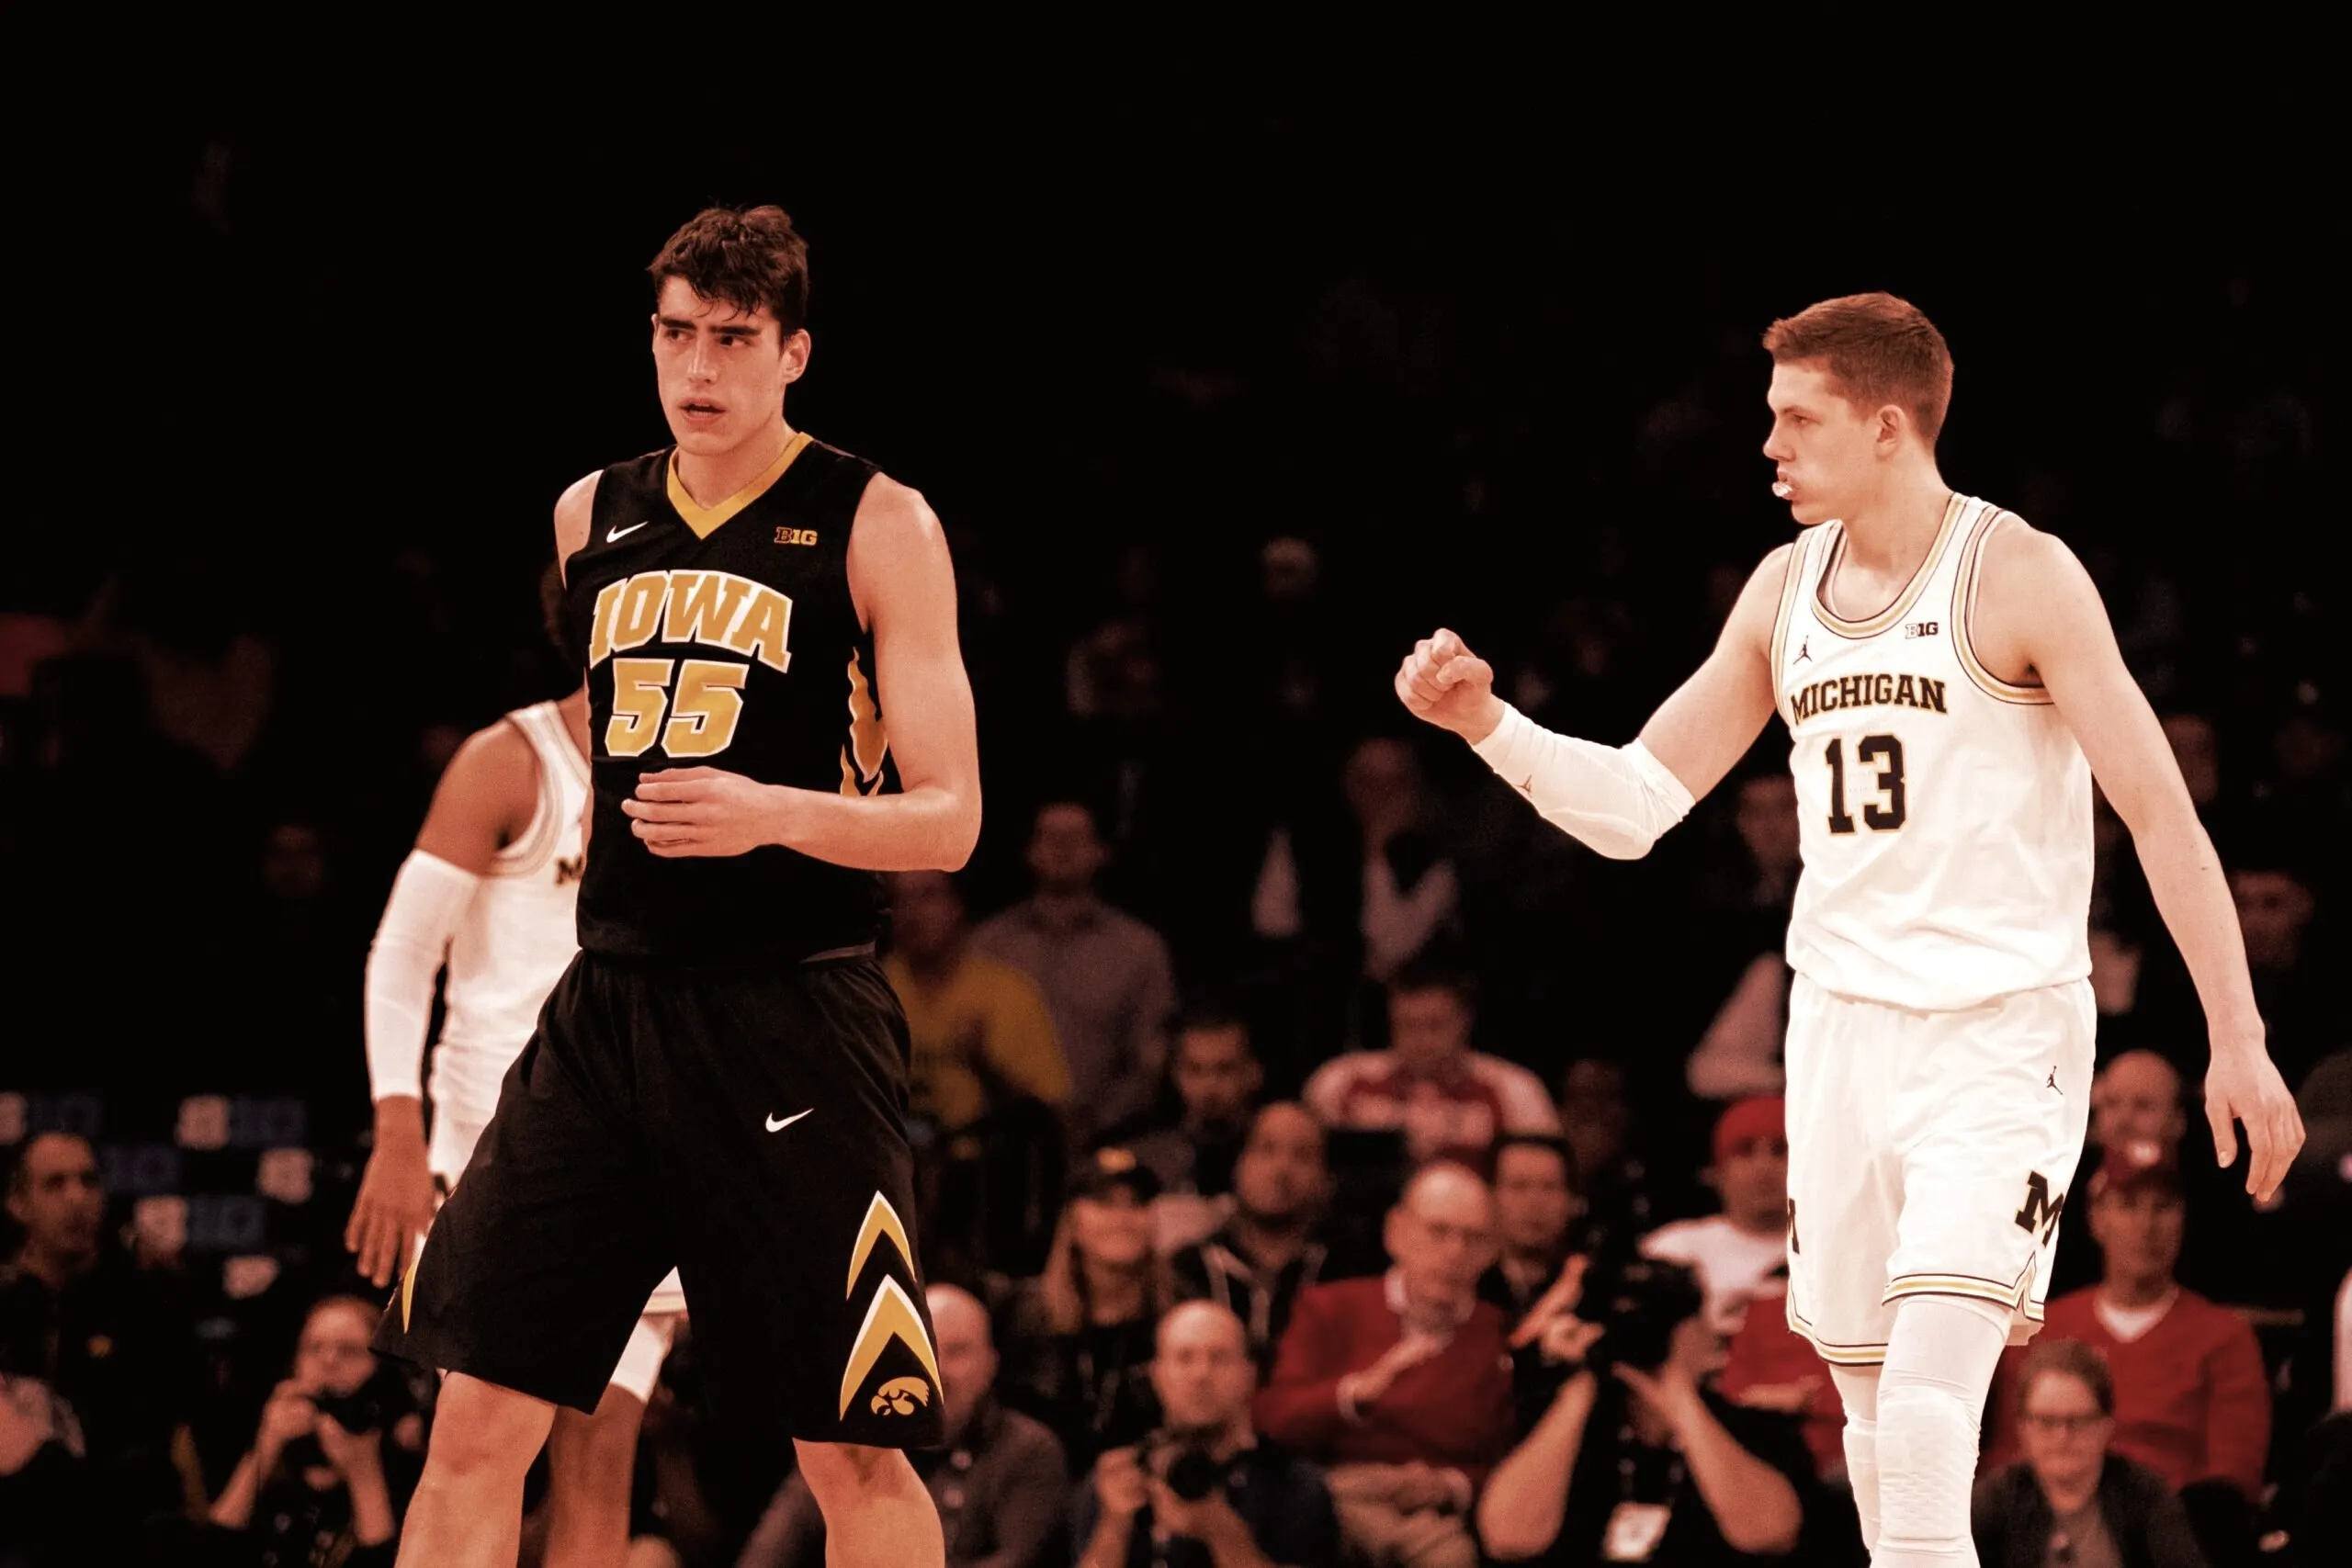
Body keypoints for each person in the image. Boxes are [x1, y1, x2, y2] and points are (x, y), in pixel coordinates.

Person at [1397, 291, 2304, 1566]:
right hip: (1840, 1037)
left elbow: (2160, 811)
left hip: (1997, 1035)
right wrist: (1488, 723)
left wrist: (2240, 1034)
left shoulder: (2019, 571)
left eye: (1796, 417)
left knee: (1935, 1399)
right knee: (1875, 1422)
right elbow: (1637, 806)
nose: (1768, 443)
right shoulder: (1785, 590)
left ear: (1887, 426)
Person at [376, 204, 982, 1568]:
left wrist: (770, 811)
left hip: (790, 1014)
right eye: (674, 334)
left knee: (849, 1446)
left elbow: (951, 822)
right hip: (608, 1010)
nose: (697, 368)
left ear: (794, 351)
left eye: (732, 339)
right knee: (474, 1419)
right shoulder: (592, 506)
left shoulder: (881, 520)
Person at [345, 564, 684, 1568]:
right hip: (498, 1148)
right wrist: (397, 1132)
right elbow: (404, 954)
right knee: (487, 1437)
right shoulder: (512, 758)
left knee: (603, 1447)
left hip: (646, 1147)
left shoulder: (709, 777)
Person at [1255, 1163, 1515, 1568]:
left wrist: (1451, 1486)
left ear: (1492, 1251)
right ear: (1396, 1232)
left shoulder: (1499, 1334)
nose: (1454, 1252)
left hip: (1435, 1511)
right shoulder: (1330, 1308)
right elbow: (1273, 1420)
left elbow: (1508, 1458)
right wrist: (1355, 1393)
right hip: (1336, 1493)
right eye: (1438, 1231)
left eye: (1473, 1238)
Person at [1476, 1257, 1812, 1565]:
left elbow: (1770, 1535)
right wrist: (1580, 1387)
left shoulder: (1753, 1427)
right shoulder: (1561, 1423)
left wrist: (1681, 1401)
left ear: (1703, 1335)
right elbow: (1508, 1539)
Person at [739, 1285, 1068, 1568]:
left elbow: (1019, 1563)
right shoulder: (856, 1444)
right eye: (921, 1349)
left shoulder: (1030, 1449)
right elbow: (770, 1551)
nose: (937, 1371)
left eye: (958, 1352)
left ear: (990, 1365)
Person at [970, 798, 1178, 1150]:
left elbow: (1149, 1062)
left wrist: (1093, 1123)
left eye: (1075, 838)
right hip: (995, 1141)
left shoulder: (1140, 950)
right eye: (1050, 837)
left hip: (1109, 1141)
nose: (1061, 848)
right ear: (1030, 850)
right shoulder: (987, 946)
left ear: (1101, 851)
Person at [1074, 1301, 1340, 1568]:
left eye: (1219, 1358)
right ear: (1158, 1375)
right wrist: (1114, 1527)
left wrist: (1222, 1534)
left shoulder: (1292, 1483)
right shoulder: (1121, 1478)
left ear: (1249, 1374)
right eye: (1184, 1358)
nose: (1201, 1374)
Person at [205, 1294, 424, 1568]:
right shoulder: (270, 1457)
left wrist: (363, 1474)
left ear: (381, 1369)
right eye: (313, 1348)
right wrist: (265, 1447)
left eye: (349, 1351)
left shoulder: (410, 1469)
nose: (329, 1361)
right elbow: (212, 1552)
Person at [1971, 1337, 2204, 1568]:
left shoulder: (2144, 1494)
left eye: (2078, 1421)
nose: (2062, 1436)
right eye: (2046, 1421)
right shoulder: (1994, 1499)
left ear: (2106, 1425)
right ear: (2022, 1427)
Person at [1171, 1103, 1348, 1371]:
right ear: (1238, 1163)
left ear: (1326, 1179)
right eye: (1266, 1149)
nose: (1281, 1169)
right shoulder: (1187, 1271)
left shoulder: (1347, 1271)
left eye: (1302, 1155)